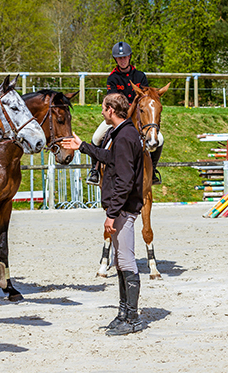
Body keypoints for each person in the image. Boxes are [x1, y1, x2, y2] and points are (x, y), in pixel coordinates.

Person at [62, 93, 146, 336]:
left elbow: (124, 180)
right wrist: (84, 147)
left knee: (127, 261)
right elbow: (111, 159)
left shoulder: (125, 135)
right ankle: (123, 313)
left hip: (124, 208)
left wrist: (112, 213)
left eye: (103, 108)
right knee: (120, 261)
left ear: (111, 110)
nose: (101, 112)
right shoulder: (119, 133)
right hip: (120, 207)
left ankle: (132, 317)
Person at [86, 41, 163, 186]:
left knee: (161, 139)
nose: (122, 60)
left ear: (129, 57)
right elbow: (113, 100)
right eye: (119, 58)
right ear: (116, 59)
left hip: (139, 117)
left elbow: (146, 98)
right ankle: (95, 171)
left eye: (125, 57)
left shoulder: (140, 76)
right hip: (117, 117)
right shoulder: (113, 78)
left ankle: (152, 171)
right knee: (96, 137)